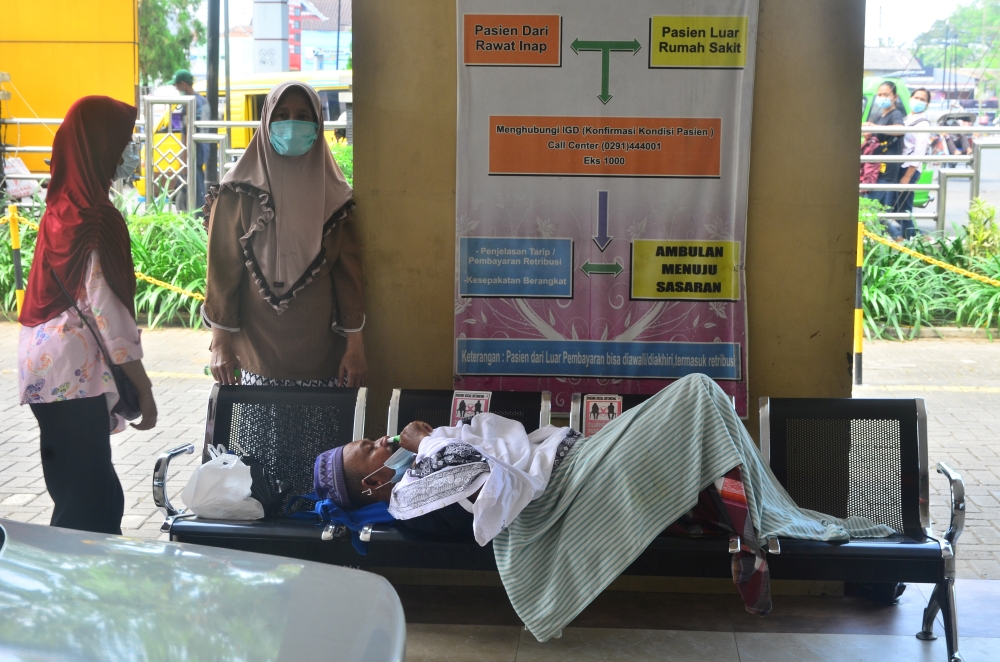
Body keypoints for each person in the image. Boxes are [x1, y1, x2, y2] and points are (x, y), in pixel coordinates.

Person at [321, 374, 895, 639]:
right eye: (365, 451)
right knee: (697, 393)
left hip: (576, 462)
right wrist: (433, 443)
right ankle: (748, 524)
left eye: (368, 438)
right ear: (369, 485)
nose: (378, 441)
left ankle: (748, 520)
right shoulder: (407, 497)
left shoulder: (419, 473)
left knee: (704, 400)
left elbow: (499, 446)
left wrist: (444, 438)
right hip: (567, 494)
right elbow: (493, 489)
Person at [18, 96, 158, 536]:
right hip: (75, 374)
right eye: (122, 142)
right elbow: (108, 312)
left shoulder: (59, 208)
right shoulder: (96, 216)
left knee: (76, 489)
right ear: (100, 147)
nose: (128, 153)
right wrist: (144, 388)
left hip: (43, 371)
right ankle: (78, 592)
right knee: (93, 501)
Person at [202, 81, 366, 387]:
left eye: (304, 116)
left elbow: (349, 279)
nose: (293, 124)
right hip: (255, 356)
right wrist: (220, 344)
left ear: (319, 124)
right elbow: (222, 274)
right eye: (283, 115)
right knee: (262, 436)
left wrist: (355, 348)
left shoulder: (336, 197)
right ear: (266, 121)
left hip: (323, 358)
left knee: (323, 437)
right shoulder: (237, 191)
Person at [892, 88, 932, 240]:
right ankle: (916, 236)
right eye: (916, 97)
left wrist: (907, 176)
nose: (918, 101)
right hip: (900, 166)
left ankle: (909, 241)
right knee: (898, 207)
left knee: (903, 207)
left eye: (922, 99)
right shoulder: (908, 119)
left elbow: (919, 151)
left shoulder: (923, 123)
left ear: (927, 104)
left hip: (909, 169)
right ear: (910, 98)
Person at [862, 82, 906, 217]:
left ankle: (895, 236)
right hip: (876, 168)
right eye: (879, 95)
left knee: (870, 208)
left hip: (886, 169)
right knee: (874, 210)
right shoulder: (881, 115)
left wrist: (874, 127)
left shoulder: (895, 114)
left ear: (894, 97)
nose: (882, 97)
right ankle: (894, 236)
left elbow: (900, 130)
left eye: (886, 94)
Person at [172, 69, 210, 212]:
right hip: (203, 149)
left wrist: (184, 157)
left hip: (194, 152)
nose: (176, 88)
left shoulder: (189, 103)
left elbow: (188, 131)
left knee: (195, 188)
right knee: (198, 185)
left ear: (183, 84)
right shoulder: (203, 100)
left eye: (176, 85)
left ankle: (198, 221)